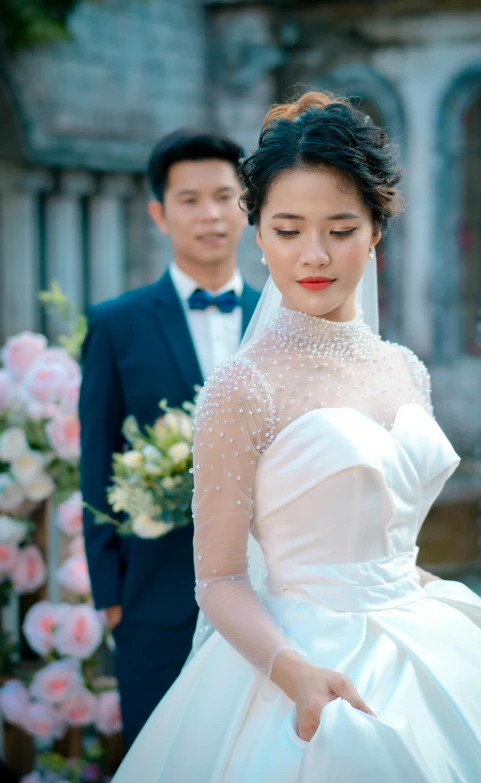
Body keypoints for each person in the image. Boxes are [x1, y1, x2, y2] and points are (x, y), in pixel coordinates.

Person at [113, 92, 481, 781]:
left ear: (375, 231)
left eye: (340, 228)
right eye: (288, 228)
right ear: (261, 235)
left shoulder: (406, 371)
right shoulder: (242, 387)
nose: (315, 254)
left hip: (416, 637)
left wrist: (450, 602)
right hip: (299, 666)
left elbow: (385, 544)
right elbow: (217, 579)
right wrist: (295, 672)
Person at [80, 128, 260, 748]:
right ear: (160, 212)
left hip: (271, 598)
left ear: (248, 204)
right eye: (189, 199)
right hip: (154, 598)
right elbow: (96, 464)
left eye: (224, 195)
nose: (209, 214)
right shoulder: (115, 325)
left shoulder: (285, 320)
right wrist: (113, 603)